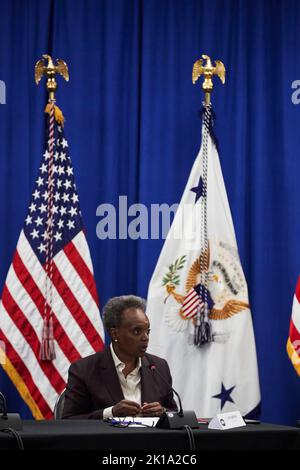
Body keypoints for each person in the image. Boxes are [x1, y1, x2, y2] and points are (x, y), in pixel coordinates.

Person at [62, 295, 177, 419]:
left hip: (150, 438)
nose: (145, 338)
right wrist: (111, 413)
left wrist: (162, 412)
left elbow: (175, 413)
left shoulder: (158, 367)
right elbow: (69, 420)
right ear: (115, 333)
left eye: (147, 331)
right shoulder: (84, 370)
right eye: (137, 331)